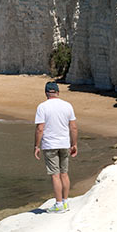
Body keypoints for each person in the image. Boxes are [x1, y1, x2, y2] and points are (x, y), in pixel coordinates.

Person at [33, 81, 78, 213]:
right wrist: (74, 144)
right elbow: (73, 127)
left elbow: (40, 129)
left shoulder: (42, 107)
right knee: (64, 173)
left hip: (50, 144)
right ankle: (65, 202)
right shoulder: (67, 106)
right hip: (64, 144)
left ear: (46, 93)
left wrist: (36, 146)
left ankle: (58, 204)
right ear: (58, 92)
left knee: (55, 175)